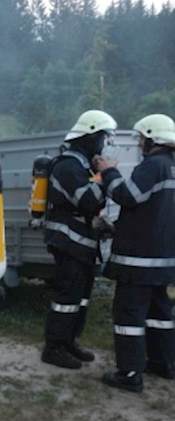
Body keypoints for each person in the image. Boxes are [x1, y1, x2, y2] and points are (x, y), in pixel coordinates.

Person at [94, 113, 175, 393]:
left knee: (129, 315)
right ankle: (164, 363)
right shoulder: (172, 165)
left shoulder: (153, 165)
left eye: (141, 138)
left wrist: (108, 171)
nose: (139, 144)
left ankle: (129, 374)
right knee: (159, 313)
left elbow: (128, 195)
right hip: (163, 260)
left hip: (138, 261)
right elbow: (153, 211)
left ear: (153, 138)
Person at [41, 109, 119, 369]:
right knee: (67, 296)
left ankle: (69, 341)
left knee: (81, 297)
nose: (104, 144)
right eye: (103, 138)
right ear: (90, 136)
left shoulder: (82, 165)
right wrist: (105, 175)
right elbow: (87, 201)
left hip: (82, 243)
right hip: (68, 242)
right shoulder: (67, 166)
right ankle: (53, 348)